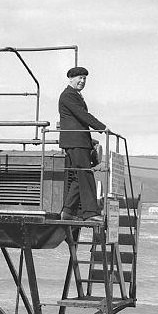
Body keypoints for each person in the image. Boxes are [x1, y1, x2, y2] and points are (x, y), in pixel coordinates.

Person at [58, 66, 106, 223]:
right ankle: (90, 213)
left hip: (78, 141)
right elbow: (82, 115)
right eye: (79, 78)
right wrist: (102, 128)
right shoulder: (68, 96)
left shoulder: (74, 96)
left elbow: (78, 120)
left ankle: (68, 211)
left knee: (79, 177)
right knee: (85, 174)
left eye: (84, 78)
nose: (82, 81)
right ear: (71, 79)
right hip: (75, 142)